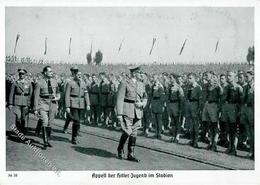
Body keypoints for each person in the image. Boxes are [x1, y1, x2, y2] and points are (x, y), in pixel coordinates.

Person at [116, 66, 147, 162]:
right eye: (135, 72)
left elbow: (145, 97)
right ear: (132, 73)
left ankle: (131, 154)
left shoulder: (141, 84)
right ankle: (120, 148)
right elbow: (120, 98)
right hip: (127, 109)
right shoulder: (124, 83)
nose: (137, 74)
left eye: (138, 72)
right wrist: (119, 114)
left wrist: (142, 103)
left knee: (134, 132)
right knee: (127, 130)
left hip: (137, 111)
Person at [33, 66, 60, 149]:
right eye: (50, 71)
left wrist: (58, 98)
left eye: (52, 71)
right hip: (43, 103)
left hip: (53, 103)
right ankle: (45, 142)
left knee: (50, 123)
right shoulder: (39, 83)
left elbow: (58, 93)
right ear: (45, 72)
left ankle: (47, 140)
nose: (51, 72)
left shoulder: (55, 82)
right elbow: (36, 97)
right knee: (45, 120)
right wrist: (35, 109)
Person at [221, 71, 243, 156]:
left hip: (234, 108)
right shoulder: (226, 87)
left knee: (234, 129)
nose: (228, 77)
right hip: (227, 108)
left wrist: (239, 112)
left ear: (235, 77)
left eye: (230, 76)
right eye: (227, 76)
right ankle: (230, 147)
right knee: (229, 129)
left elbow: (241, 101)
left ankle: (234, 148)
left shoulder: (238, 88)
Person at [65, 70, 90, 144]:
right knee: (76, 120)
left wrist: (88, 104)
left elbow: (86, 94)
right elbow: (67, 95)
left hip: (81, 104)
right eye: (78, 74)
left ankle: (74, 135)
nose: (79, 75)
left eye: (80, 74)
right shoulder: (70, 83)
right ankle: (74, 138)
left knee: (78, 121)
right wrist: (67, 106)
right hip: (73, 103)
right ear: (74, 75)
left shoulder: (83, 83)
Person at [8, 69, 33, 136]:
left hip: (25, 101)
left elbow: (31, 94)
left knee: (23, 117)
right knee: (18, 116)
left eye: (23, 74)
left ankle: (22, 130)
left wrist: (30, 103)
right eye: (20, 74)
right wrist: (10, 103)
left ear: (25, 75)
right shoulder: (15, 83)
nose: (21, 75)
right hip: (17, 101)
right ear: (19, 74)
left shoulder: (29, 83)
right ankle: (18, 131)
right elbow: (11, 93)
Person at [202, 72, 223, 151]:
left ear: (212, 76)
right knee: (210, 125)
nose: (206, 77)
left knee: (215, 125)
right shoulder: (207, 85)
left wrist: (219, 109)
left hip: (214, 105)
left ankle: (214, 143)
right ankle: (211, 142)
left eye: (207, 76)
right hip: (208, 104)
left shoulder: (217, 86)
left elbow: (221, 96)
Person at [186, 73, 203, 148]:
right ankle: (191, 140)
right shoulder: (189, 87)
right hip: (189, 104)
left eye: (190, 78)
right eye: (188, 78)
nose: (189, 80)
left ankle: (195, 141)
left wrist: (199, 109)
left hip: (195, 105)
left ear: (194, 79)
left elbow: (200, 100)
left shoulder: (198, 87)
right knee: (191, 124)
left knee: (195, 124)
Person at [240, 70, 254, 159]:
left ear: (252, 77)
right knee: (249, 133)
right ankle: (251, 151)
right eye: (245, 77)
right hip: (246, 110)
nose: (246, 78)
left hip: (253, 110)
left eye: (247, 76)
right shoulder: (245, 87)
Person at [167, 73, 184, 143]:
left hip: (176, 104)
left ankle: (177, 136)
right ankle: (173, 136)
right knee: (173, 122)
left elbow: (181, 99)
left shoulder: (178, 87)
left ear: (174, 78)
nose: (170, 79)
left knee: (177, 121)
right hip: (171, 104)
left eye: (171, 78)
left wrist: (180, 108)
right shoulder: (169, 86)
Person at [150, 75, 166, 140]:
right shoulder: (153, 86)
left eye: (154, 77)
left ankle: (159, 134)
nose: (153, 78)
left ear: (157, 78)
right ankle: (156, 132)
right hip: (154, 102)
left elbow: (162, 96)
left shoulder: (160, 86)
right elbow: (151, 94)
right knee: (155, 119)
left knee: (159, 119)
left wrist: (162, 105)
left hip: (159, 102)